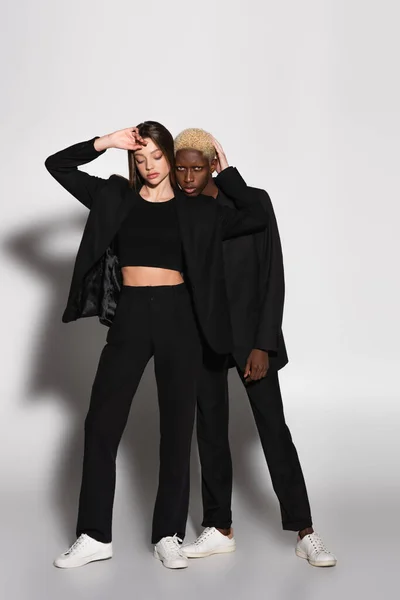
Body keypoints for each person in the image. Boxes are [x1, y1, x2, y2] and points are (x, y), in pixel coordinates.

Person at [44, 122, 268, 570]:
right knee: (101, 424)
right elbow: (58, 165)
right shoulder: (116, 198)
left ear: (171, 155)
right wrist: (106, 142)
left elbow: (256, 213)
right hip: (130, 317)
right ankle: (93, 535)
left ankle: (168, 533)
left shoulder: (199, 210)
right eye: (139, 159)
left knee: (176, 427)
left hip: (178, 317)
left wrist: (226, 173)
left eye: (156, 157)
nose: (148, 166)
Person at [174, 128, 337, 568]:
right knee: (210, 432)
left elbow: (273, 277)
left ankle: (305, 530)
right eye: (180, 168)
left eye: (197, 167)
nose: (187, 177)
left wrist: (263, 343)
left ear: (213, 165)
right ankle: (219, 527)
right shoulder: (180, 210)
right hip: (203, 338)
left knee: (274, 431)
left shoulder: (253, 203)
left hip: (251, 341)